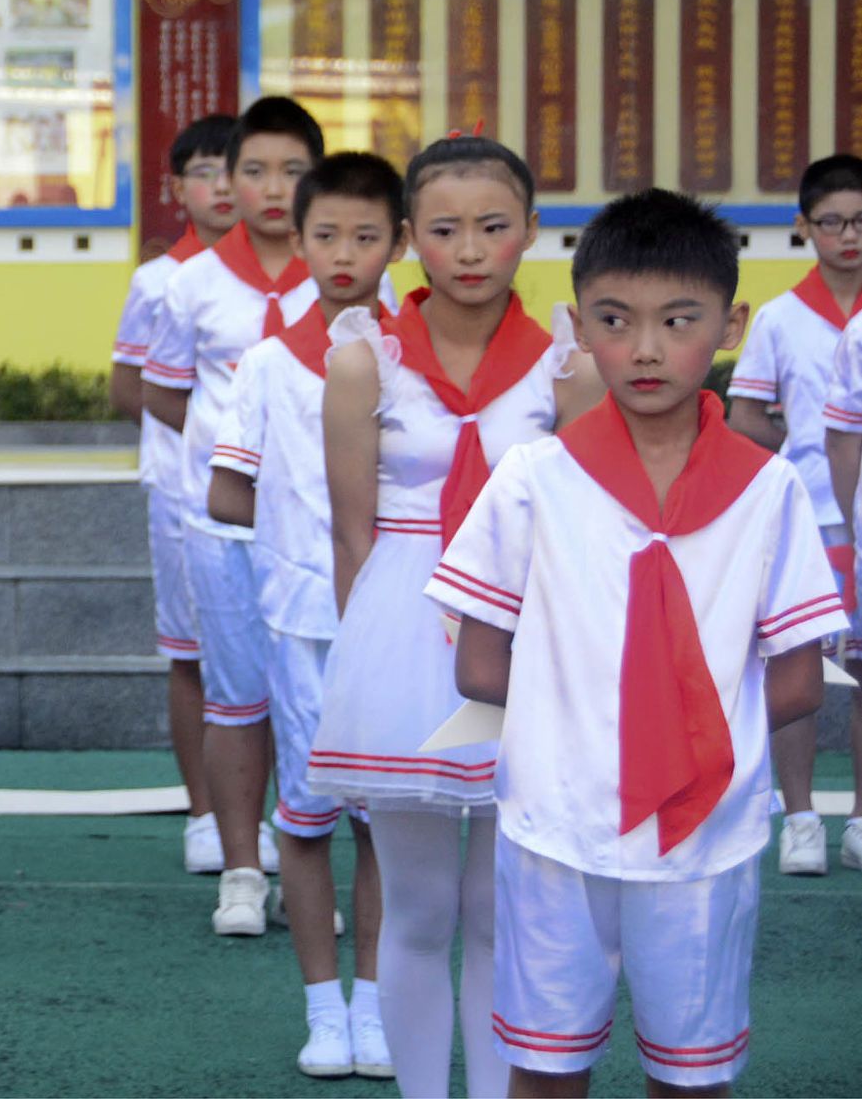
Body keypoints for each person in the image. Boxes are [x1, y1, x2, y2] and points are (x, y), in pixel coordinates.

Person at [429, 189, 844, 1098]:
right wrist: (623, 734)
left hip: (696, 831)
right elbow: (477, 663)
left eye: (677, 321)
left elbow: (801, 678)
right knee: (548, 1068)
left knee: (684, 1076)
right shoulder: (534, 478)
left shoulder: (766, 490)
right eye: (614, 322)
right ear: (577, 328)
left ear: (731, 324)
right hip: (558, 824)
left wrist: (668, 744)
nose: (645, 348)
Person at [310, 133, 598, 1099]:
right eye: (442, 229)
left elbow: (587, 528)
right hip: (404, 630)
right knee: (420, 911)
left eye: (491, 226)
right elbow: (351, 538)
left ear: (531, 230)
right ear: (406, 239)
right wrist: (366, 672)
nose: (468, 250)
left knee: (502, 911)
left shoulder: (567, 364)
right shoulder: (364, 361)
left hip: (527, 632)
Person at [207, 151, 400, 1081]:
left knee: (387, 821)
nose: (344, 255)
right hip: (300, 619)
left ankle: (377, 1007)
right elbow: (225, 491)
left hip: (396, 619)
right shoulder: (267, 362)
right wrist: (300, 530)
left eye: (366, 237)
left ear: (397, 242)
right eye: (326, 235)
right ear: (299, 238)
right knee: (310, 815)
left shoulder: (412, 359)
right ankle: (324, 1011)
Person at [143, 96, 332, 928]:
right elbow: (164, 392)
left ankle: (305, 869)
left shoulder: (343, 280)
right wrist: (232, 458)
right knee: (234, 698)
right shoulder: (189, 283)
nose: (271, 188)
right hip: (217, 525)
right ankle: (241, 870)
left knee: (310, 699)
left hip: (314, 530)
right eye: (253, 170)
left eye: (292, 171)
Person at [724, 154, 862, 875]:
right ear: (804, 226)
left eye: (860, 221)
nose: (848, 236)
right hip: (808, 516)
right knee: (799, 664)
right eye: (832, 222)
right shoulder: (779, 317)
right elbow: (744, 415)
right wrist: (792, 452)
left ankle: (860, 821)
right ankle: (802, 818)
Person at [111, 111, 238, 871]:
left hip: (281, 497)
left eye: (236, 170)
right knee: (192, 652)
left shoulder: (303, 278)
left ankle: (274, 814)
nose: (222, 187)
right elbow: (130, 386)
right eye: (203, 172)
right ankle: (205, 813)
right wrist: (216, 439)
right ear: (176, 188)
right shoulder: (159, 280)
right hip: (185, 491)